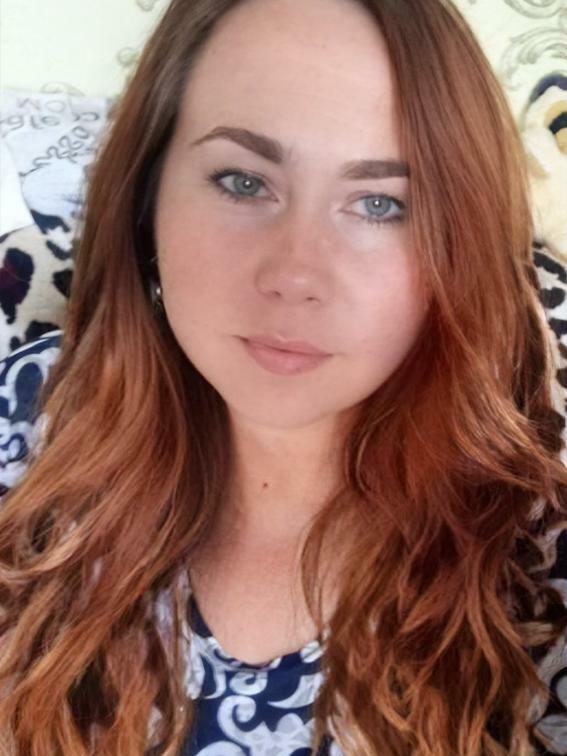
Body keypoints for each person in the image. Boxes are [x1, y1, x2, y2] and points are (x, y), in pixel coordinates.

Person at [0, 0, 566, 753]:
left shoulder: (538, 557)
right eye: (242, 182)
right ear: (146, 198)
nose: (296, 275)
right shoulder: (29, 420)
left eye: (380, 204)